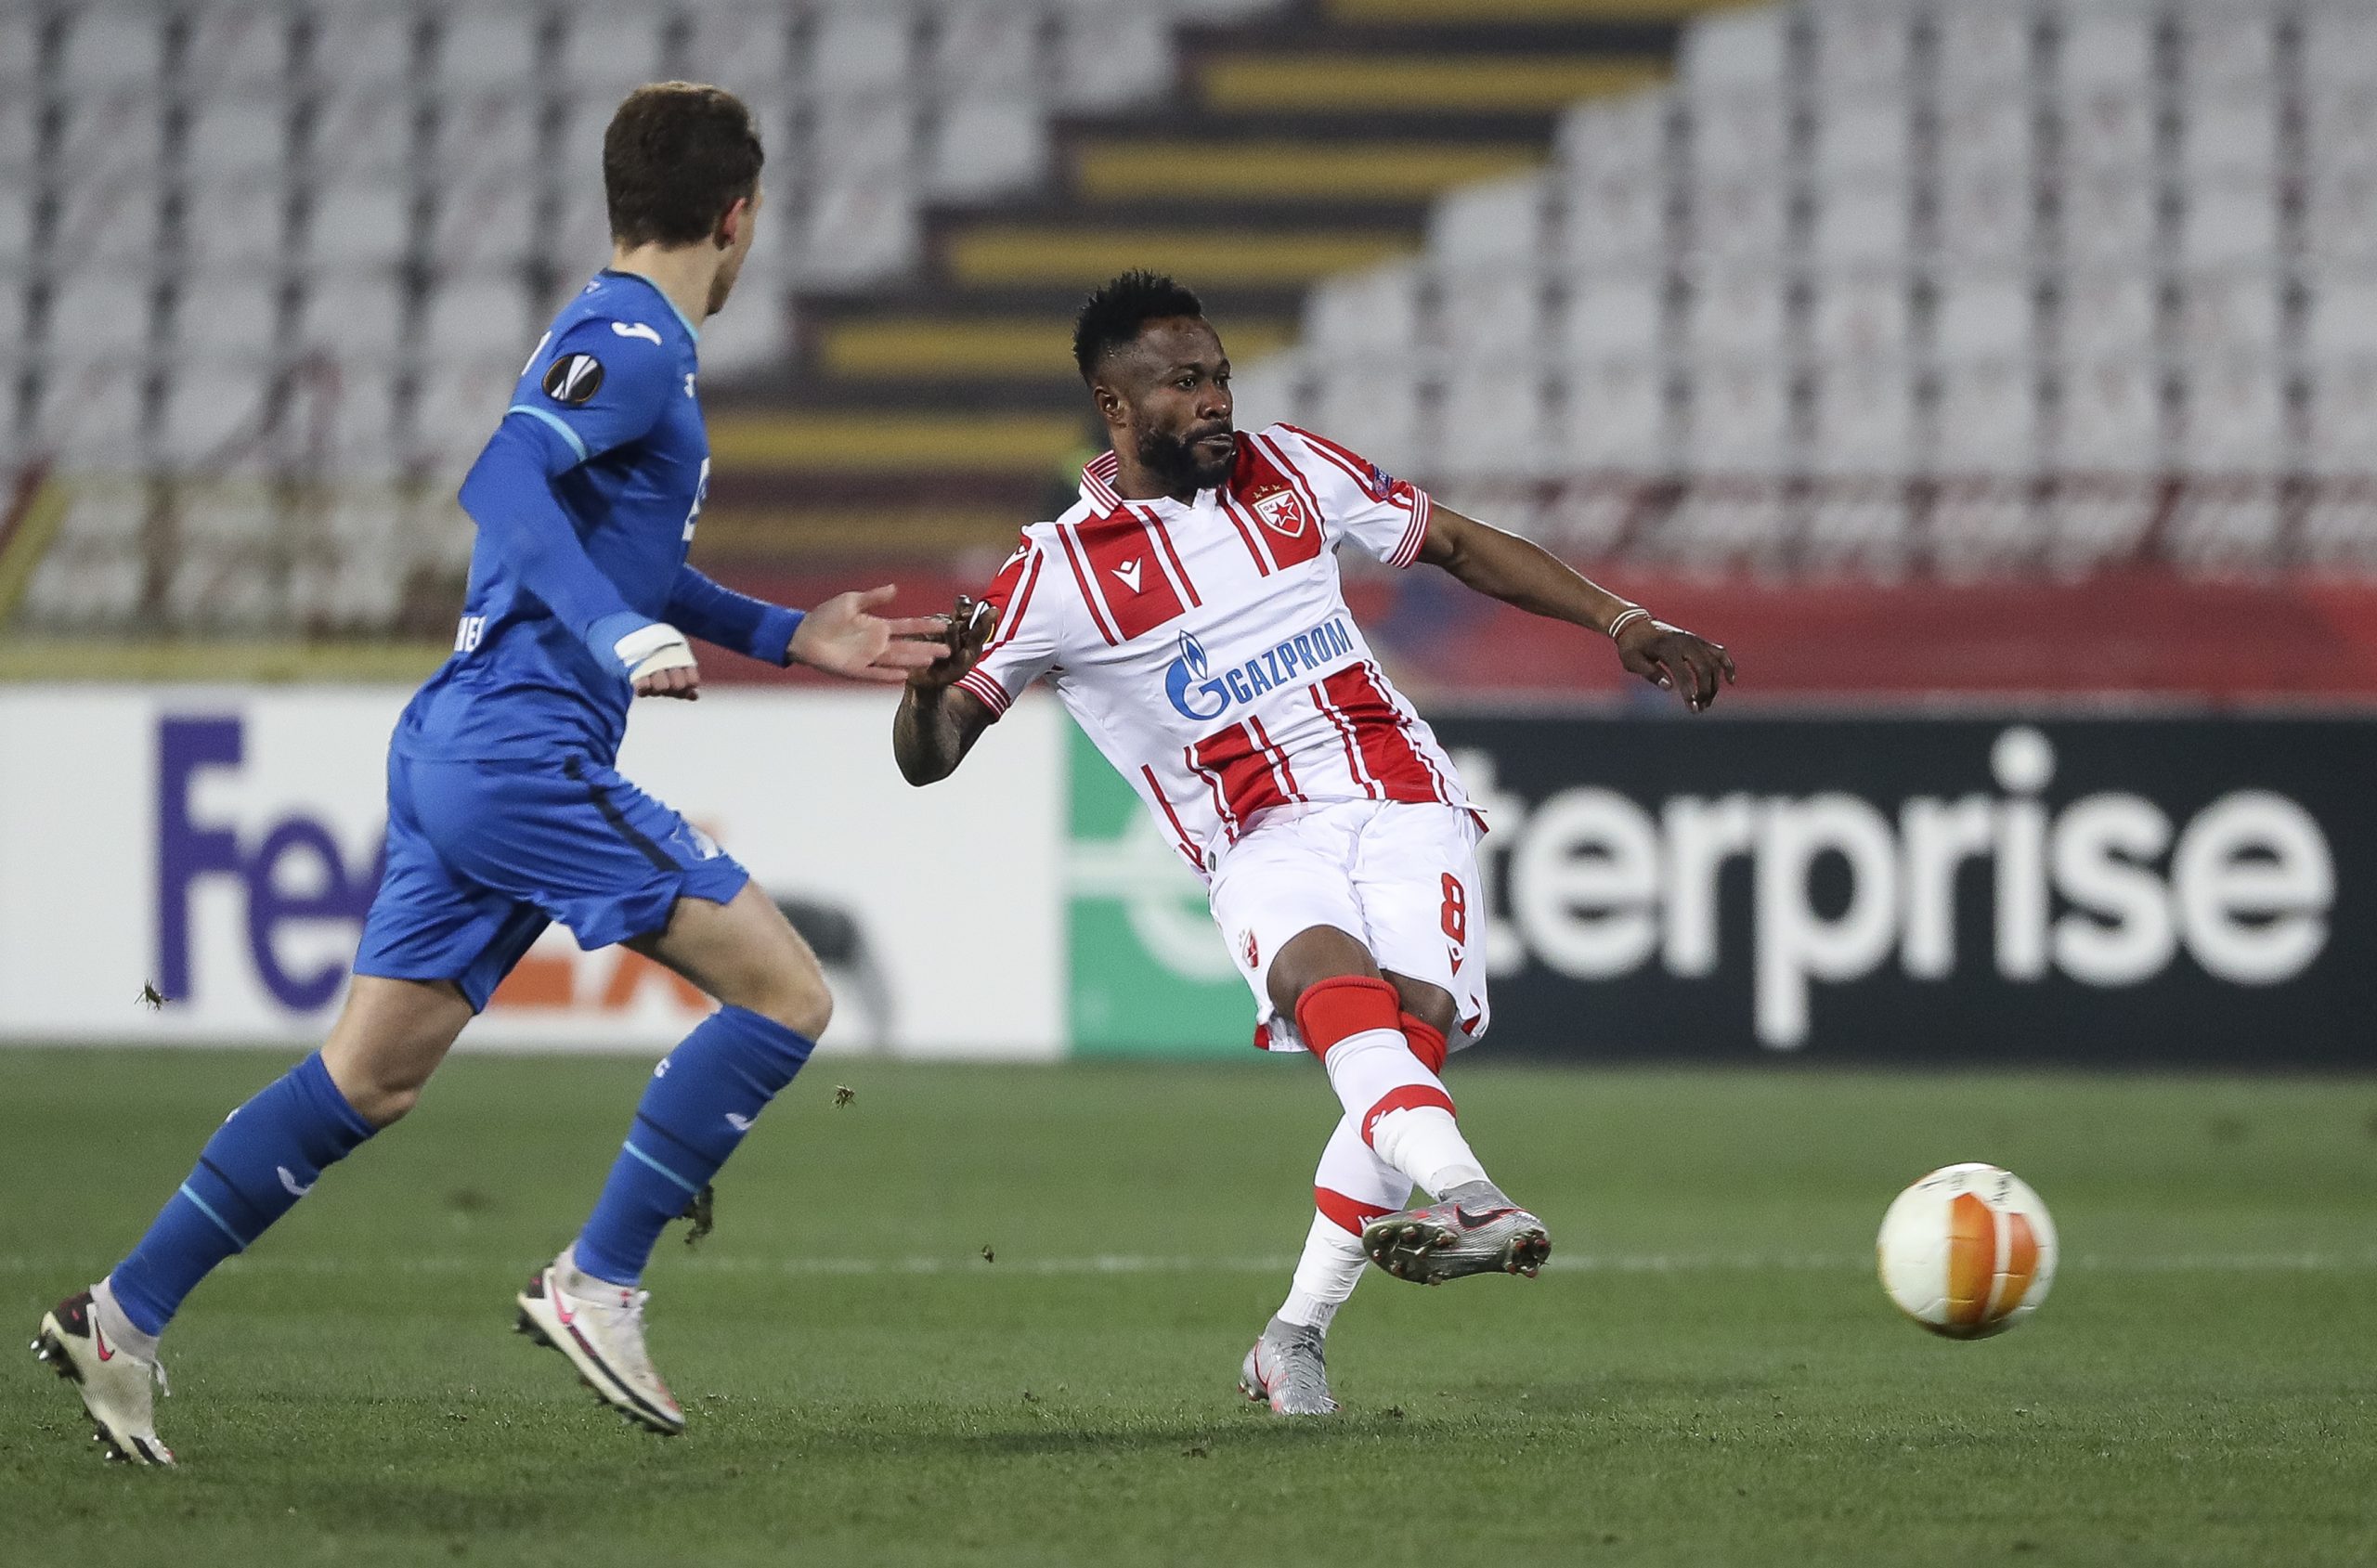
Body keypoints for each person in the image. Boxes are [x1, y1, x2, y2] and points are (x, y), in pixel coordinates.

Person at [32, 83, 941, 1464]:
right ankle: (597, 1280)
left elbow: (618, 550)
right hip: (524, 753)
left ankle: (122, 1316)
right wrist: (614, 635)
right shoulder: (633, 340)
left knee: (368, 1079)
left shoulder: (619, 335)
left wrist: (783, 634)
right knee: (787, 992)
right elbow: (503, 480)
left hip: (466, 746)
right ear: (737, 215)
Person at [893, 271, 1734, 1416]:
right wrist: (926, 690)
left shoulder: (1293, 468)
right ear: (1114, 404)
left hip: (1404, 795)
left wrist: (1621, 620)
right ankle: (1473, 1195)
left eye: (1220, 376)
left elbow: (1456, 543)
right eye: (1183, 384)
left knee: (1407, 1046)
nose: (1215, 400)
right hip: (1256, 835)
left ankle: (1291, 1340)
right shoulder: (1058, 569)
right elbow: (933, 752)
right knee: (1334, 989)